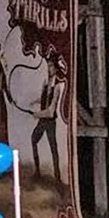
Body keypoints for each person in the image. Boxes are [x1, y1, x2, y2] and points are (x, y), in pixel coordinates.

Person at [31, 53, 65, 183]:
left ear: (56, 67)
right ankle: (37, 172)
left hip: (49, 121)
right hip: (42, 120)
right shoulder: (46, 82)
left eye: (51, 66)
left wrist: (37, 114)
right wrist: (34, 102)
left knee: (53, 148)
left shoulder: (57, 86)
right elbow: (43, 98)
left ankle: (57, 178)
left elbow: (51, 111)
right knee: (33, 140)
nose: (48, 68)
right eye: (48, 66)